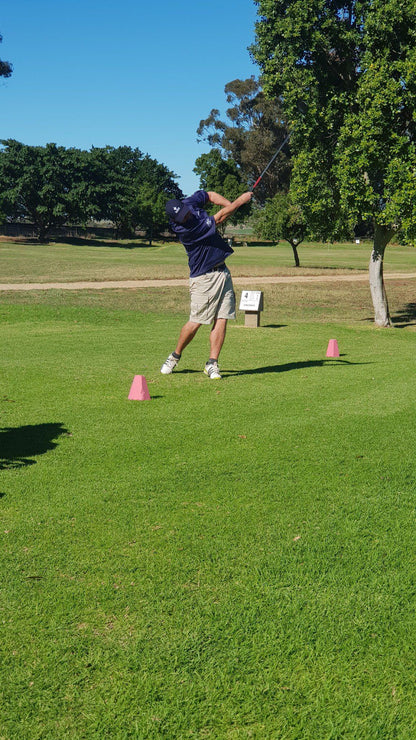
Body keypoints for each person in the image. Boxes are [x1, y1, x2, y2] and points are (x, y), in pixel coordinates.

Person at [161, 189, 253, 379]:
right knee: (196, 321)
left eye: (185, 212)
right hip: (203, 278)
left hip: (222, 271)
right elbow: (218, 219)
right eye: (181, 216)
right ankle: (175, 356)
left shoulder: (189, 203)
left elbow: (209, 195)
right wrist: (239, 201)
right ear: (175, 220)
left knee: (222, 317)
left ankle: (212, 363)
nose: (186, 216)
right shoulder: (184, 230)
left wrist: (229, 205)